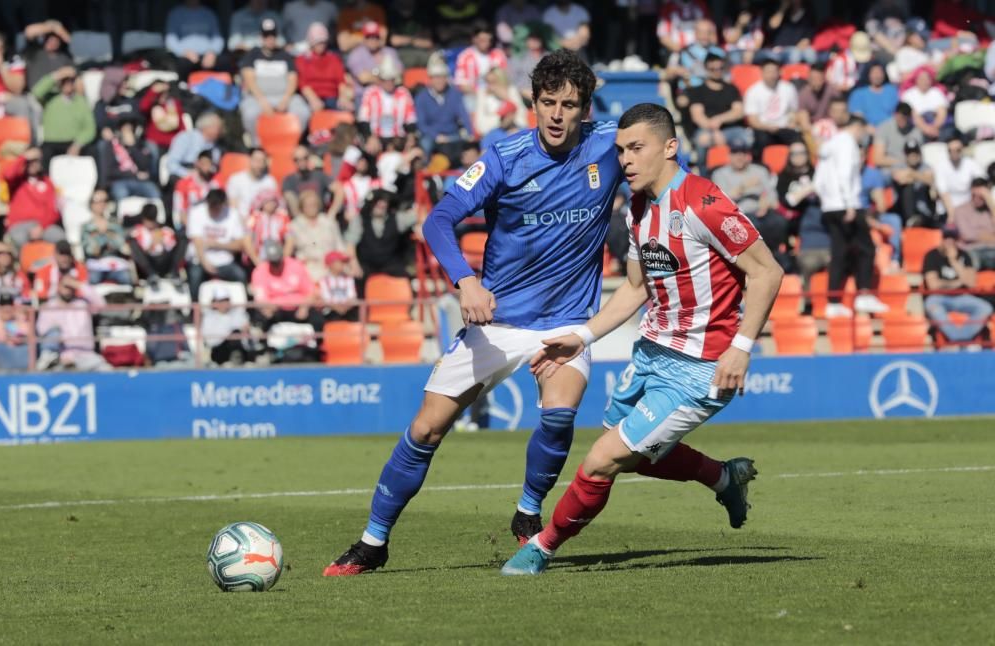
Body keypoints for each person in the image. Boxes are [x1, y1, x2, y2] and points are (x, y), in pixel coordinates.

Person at [324, 51, 730, 577]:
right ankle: (373, 542)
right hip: (497, 323)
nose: (558, 114)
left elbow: (663, 163)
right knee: (425, 430)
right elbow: (439, 221)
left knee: (560, 414)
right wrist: (466, 281)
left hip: (565, 323)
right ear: (531, 103)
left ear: (586, 109)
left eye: (569, 105)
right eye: (548, 103)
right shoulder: (503, 157)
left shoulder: (609, 144)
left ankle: (527, 511)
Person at [500, 102, 783, 576]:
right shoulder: (636, 207)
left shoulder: (703, 202)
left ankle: (541, 547)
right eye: (620, 150)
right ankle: (723, 477)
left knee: (602, 460)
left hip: (700, 367)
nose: (625, 159)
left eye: (636, 148)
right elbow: (635, 288)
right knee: (632, 455)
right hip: (650, 354)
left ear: (670, 147)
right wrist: (581, 337)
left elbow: (767, 271)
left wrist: (743, 346)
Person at [814, 116, 888, 317]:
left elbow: (818, 180)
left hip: (830, 206)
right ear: (857, 127)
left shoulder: (829, 146)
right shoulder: (848, 144)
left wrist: (828, 201)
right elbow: (846, 174)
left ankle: (833, 302)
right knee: (867, 249)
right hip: (847, 205)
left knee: (839, 254)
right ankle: (864, 295)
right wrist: (849, 204)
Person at [710, 141, 788, 267]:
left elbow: (772, 196)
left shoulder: (760, 171)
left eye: (743, 153)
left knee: (779, 222)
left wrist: (766, 203)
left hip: (762, 211)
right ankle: (759, 261)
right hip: (737, 215)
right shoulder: (720, 174)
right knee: (752, 226)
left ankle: (774, 258)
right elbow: (720, 202)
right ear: (729, 156)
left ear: (748, 156)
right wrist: (742, 187)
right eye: (735, 153)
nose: (739, 157)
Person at [239, 18, 311, 142]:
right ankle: (257, 145)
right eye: (266, 35)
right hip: (258, 97)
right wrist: (262, 101)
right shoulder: (252, 54)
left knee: (303, 112)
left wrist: (286, 99)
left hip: (283, 97)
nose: (269, 39)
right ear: (261, 37)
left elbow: (292, 79)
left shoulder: (285, 55)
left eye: (272, 35)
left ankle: (293, 142)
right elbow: (249, 80)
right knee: (249, 114)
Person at [923, 228, 993, 344]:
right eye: (946, 239)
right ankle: (957, 338)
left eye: (952, 239)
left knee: (985, 308)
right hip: (939, 297)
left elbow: (971, 283)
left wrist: (954, 261)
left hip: (962, 297)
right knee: (931, 304)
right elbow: (933, 285)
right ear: (942, 239)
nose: (949, 243)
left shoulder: (965, 255)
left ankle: (961, 338)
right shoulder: (932, 255)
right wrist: (958, 283)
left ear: (956, 241)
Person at [777, 143, 828, 287]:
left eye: (802, 152)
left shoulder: (817, 173)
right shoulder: (784, 176)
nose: (798, 156)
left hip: (817, 216)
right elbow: (787, 201)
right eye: (794, 153)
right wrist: (807, 191)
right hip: (794, 219)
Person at [686, 53, 748, 167]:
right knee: (702, 140)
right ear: (706, 69)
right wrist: (714, 131)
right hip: (706, 130)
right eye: (712, 68)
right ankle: (703, 177)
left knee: (746, 138)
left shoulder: (731, 89)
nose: (716, 71)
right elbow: (698, 116)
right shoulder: (698, 91)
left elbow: (738, 112)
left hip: (731, 130)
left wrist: (719, 119)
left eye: (720, 68)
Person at [35, 276, 108, 372]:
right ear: (58, 287)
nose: (68, 290)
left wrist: (78, 285)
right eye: (65, 286)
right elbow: (42, 331)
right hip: (61, 358)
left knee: (109, 372)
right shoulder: (49, 307)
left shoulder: (83, 304)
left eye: (71, 286)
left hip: (87, 355)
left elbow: (102, 304)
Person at [186, 189, 248, 301]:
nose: (214, 210)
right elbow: (197, 241)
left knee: (241, 276)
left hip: (225, 261)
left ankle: (243, 311)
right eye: (211, 207)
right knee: (195, 277)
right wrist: (205, 262)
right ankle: (194, 311)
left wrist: (217, 245)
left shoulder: (232, 214)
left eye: (217, 207)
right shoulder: (196, 212)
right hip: (200, 260)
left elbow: (239, 245)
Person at [250, 239, 321, 332]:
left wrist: (304, 307)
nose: (276, 265)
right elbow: (260, 297)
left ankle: (316, 344)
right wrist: (267, 308)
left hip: (298, 307)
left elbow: (310, 291)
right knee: (261, 318)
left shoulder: (296, 265)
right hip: (276, 309)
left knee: (317, 319)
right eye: (273, 262)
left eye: (278, 261)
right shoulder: (260, 271)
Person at [413, 54, 473, 161]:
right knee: (425, 144)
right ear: (430, 79)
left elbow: (463, 115)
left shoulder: (454, 94)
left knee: (468, 145)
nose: (439, 81)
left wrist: (470, 132)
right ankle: (427, 171)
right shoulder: (421, 97)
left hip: (452, 134)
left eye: (442, 77)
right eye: (436, 77)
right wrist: (436, 136)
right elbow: (421, 124)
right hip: (432, 136)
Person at [3, 147, 64, 249]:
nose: (33, 164)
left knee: (61, 240)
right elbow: (8, 175)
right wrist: (24, 157)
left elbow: (54, 210)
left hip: (43, 226)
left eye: (36, 161)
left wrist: (42, 227)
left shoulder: (47, 183)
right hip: (19, 225)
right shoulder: (17, 181)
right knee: (20, 240)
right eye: (30, 162)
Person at [288, 189, 356, 281]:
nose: (311, 207)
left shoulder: (329, 222)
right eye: (308, 205)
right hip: (308, 268)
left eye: (314, 204)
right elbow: (289, 252)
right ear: (302, 207)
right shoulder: (294, 226)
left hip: (332, 267)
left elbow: (340, 246)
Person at [32, 66, 96, 160]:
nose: (68, 84)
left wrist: (78, 144)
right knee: (43, 155)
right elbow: (36, 92)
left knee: (93, 152)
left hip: (73, 142)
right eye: (64, 81)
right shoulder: (50, 99)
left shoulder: (81, 101)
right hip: (51, 143)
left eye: (71, 81)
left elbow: (90, 128)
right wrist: (57, 75)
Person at [350, 189, 414, 277]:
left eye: (384, 202)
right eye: (377, 202)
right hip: (367, 266)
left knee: (404, 276)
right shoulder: (360, 220)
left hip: (391, 266)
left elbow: (420, 215)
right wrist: (354, 265)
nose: (381, 204)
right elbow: (350, 244)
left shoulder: (397, 218)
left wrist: (420, 225)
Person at [743, 58, 800, 155]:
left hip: (784, 127)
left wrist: (792, 122)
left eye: (774, 71)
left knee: (798, 142)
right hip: (763, 128)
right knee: (760, 141)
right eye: (768, 71)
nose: (772, 75)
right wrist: (767, 127)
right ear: (762, 73)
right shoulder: (753, 91)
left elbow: (794, 111)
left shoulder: (789, 88)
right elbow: (752, 120)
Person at [356, 58, 417, 143]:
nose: (389, 83)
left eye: (391, 79)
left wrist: (411, 137)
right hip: (376, 138)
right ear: (380, 80)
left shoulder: (403, 93)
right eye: (385, 79)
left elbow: (411, 119)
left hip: (398, 139)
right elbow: (363, 119)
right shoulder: (370, 93)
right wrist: (369, 138)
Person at [100, 116, 161, 200]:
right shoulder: (110, 146)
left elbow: (145, 166)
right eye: (125, 130)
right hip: (120, 181)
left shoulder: (141, 145)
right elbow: (110, 171)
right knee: (121, 193)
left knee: (154, 193)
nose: (127, 133)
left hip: (141, 182)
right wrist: (134, 174)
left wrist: (133, 147)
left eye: (130, 130)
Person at [295, 23, 352, 113]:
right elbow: (303, 84)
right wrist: (313, 100)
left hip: (332, 98)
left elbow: (341, 81)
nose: (321, 45)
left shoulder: (334, 59)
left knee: (347, 109)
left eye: (323, 42)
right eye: (318, 42)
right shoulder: (302, 59)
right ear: (311, 42)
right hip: (310, 99)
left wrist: (343, 98)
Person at [165, 0, 227, 79]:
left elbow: (217, 37)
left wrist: (212, 52)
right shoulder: (175, 14)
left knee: (225, 62)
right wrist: (184, 52)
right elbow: (170, 39)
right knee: (182, 65)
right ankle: (183, 88)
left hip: (208, 54)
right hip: (186, 56)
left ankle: (224, 89)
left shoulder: (209, 13)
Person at [80, 189, 132, 285]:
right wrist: (108, 240)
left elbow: (121, 245)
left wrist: (101, 239)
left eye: (104, 201)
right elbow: (90, 250)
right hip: (96, 265)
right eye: (98, 201)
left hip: (114, 264)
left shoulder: (115, 223)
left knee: (126, 278)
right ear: (91, 204)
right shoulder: (86, 227)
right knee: (93, 279)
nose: (102, 204)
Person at [127, 204, 187, 282]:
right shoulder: (137, 231)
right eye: (148, 220)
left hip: (165, 262)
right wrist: (152, 244)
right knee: (133, 243)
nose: (150, 224)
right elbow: (138, 253)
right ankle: (151, 275)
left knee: (183, 239)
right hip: (149, 264)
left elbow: (172, 250)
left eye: (152, 220)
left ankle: (173, 273)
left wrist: (162, 242)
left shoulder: (164, 229)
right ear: (143, 219)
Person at [346, 21, 402, 100]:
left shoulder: (390, 52)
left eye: (375, 37)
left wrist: (374, 76)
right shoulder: (356, 55)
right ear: (364, 38)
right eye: (369, 37)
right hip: (364, 97)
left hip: (390, 95)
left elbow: (398, 75)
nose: (372, 40)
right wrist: (386, 78)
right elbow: (364, 78)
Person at [200, 283, 252, 365]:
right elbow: (209, 340)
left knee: (236, 334)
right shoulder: (209, 317)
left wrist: (245, 329)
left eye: (226, 300)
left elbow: (246, 332)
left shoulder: (239, 313)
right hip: (219, 349)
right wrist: (227, 334)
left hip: (239, 348)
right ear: (215, 302)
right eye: (221, 300)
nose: (224, 303)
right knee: (234, 334)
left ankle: (237, 360)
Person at [934, 137, 983, 223]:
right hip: (948, 211)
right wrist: (952, 215)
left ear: (962, 150)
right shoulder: (941, 166)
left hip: (969, 209)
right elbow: (943, 192)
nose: (954, 153)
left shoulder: (971, 164)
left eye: (958, 150)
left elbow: (982, 183)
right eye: (951, 150)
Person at [951, 178, 995, 271]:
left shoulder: (990, 211)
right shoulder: (961, 210)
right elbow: (968, 235)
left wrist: (991, 204)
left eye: (981, 196)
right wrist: (990, 237)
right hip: (971, 250)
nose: (976, 199)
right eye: (973, 195)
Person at [165, 112, 223, 182]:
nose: (221, 131)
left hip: (204, 180)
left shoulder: (215, 147)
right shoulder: (185, 137)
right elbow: (171, 164)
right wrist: (188, 174)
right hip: (182, 177)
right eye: (217, 128)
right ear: (206, 127)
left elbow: (214, 167)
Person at [891, 140, 938, 227]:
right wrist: (919, 177)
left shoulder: (926, 166)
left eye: (915, 153)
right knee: (908, 187)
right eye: (910, 154)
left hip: (922, 208)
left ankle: (917, 220)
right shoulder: (898, 166)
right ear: (905, 155)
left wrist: (910, 173)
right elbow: (899, 178)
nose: (913, 157)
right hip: (902, 208)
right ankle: (910, 218)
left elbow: (930, 180)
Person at [243, 189, 292, 267]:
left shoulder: (283, 216)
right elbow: (247, 240)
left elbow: (290, 239)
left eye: (272, 201)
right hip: (259, 252)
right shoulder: (254, 217)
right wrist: (256, 259)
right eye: (267, 202)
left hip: (278, 251)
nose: (270, 204)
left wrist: (284, 258)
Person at [872, 102, 922, 175]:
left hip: (911, 168)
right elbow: (878, 159)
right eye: (900, 117)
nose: (902, 121)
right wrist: (902, 162)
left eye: (905, 118)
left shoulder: (916, 132)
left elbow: (919, 157)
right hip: (889, 168)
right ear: (895, 115)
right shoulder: (883, 128)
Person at [900, 67, 948, 141]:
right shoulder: (908, 94)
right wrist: (926, 129)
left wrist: (934, 127)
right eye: (922, 79)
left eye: (927, 79)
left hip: (936, 125)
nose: (924, 81)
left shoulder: (936, 92)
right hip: (917, 126)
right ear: (916, 80)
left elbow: (942, 113)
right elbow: (913, 115)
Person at [282, 145, 332, 217]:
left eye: (304, 158)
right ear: (294, 161)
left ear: (308, 158)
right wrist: (304, 222)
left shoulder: (319, 176)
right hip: (301, 220)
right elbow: (291, 201)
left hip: (320, 218)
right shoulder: (289, 180)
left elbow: (339, 190)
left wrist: (332, 213)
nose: (301, 161)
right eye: (297, 159)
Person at [173, 151, 220, 227]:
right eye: (203, 164)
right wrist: (195, 229)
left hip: (213, 225)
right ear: (197, 163)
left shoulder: (217, 181)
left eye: (209, 164)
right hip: (191, 225)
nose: (206, 167)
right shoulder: (183, 184)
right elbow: (181, 212)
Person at [226, 148, 277, 215]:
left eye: (262, 161)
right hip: (239, 221)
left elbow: (272, 206)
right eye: (256, 160)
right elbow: (232, 205)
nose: (259, 164)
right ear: (250, 160)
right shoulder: (235, 179)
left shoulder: (270, 181)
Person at [848, 61, 899, 128]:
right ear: (868, 74)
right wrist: (867, 127)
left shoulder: (892, 90)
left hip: (890, 129)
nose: (877, 76)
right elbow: (857, 116)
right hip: (867, 130)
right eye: (874, 73)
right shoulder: (858, 94)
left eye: (880, 73)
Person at [138, 81, 185, 152]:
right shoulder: (152, 105)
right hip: (154, 142)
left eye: (164, 93)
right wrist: (153, 91)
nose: (162, 96)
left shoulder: (173, 104)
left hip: (172, 143)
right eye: (160, 94)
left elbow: (180, 124)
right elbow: (143, 107)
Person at [319, 250, 358, 321]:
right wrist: (338, 308)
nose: (343, 264)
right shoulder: (324, 280)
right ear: (331, 264)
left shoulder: (348, 279)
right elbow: (326, 298)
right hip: (331, 310)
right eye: (341, 262)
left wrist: (345, 308)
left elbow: (352, 296)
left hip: (347, 310)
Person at [0, 293, 30, 371]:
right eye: (3, 305)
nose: (7, 308)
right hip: (1, 358)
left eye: (9, 305)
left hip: (19, 356)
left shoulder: (20, 322)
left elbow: (27, 334)